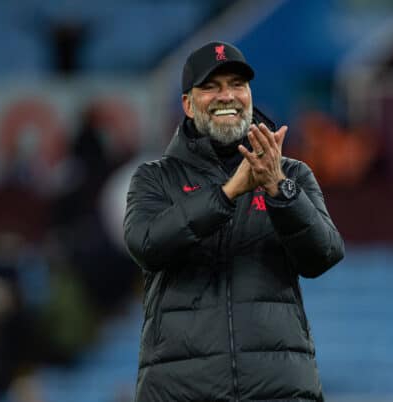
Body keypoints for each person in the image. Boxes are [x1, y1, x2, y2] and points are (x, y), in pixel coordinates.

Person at [123, 41, 345, 402]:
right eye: (211, 86)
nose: (227, 95)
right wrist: (227, 194)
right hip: (180, 391)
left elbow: (324, 255)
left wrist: (280, 192)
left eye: (237, 85)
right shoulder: (154, 178)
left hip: (279, 390)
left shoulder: (291, 175)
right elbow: (146, 245)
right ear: (187, 104)